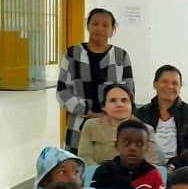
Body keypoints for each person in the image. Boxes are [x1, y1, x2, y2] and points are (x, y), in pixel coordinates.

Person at [57, 8, 134, 153]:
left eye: (105, 25)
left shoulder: (120, 56)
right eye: (95, 24)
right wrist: (88, 111)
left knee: (110, 165)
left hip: (113, 125)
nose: (99, 28)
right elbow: (62, 91)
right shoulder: (73, 54)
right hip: (79, 123)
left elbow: (129, 92)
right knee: (77, 166)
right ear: (88, 26)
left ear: (112, 30)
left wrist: (112, 112)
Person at [91, 120, 165, 189]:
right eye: (126, 143)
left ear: (147, 148)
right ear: (116, 145)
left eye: (139, 144)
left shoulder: (152, 174)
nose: (133, 148)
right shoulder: (103, 172)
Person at [134, 65, 188, 167]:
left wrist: (174, 164)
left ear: (180, 88)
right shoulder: (141, 113)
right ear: (155, 84)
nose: (170, 86)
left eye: (174, 83)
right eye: (165, 82)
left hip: (181, 170)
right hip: (146, 168)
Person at [78, 84, 157, 166]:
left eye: (124, 100)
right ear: (103, 106)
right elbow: (85, 158)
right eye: (113, 100)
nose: (119, 104)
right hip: (99, 175)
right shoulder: (91, 125)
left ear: (131, 105)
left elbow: (151, 164)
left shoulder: (146, 130)